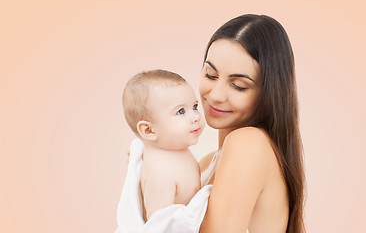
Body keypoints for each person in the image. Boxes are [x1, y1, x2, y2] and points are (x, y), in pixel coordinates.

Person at [198, 14, 305, 233]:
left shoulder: (249, 143)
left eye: (238, 86)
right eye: (210, 75)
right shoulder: (205, 163)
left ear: (269, 93)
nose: (216, 95)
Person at [119, 69, 205, 226]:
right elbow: (161, 225)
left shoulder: (175, 149)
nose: (196, 117)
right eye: (181, 111)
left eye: (194, 106)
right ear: (149, 130)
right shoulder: (159, 171)